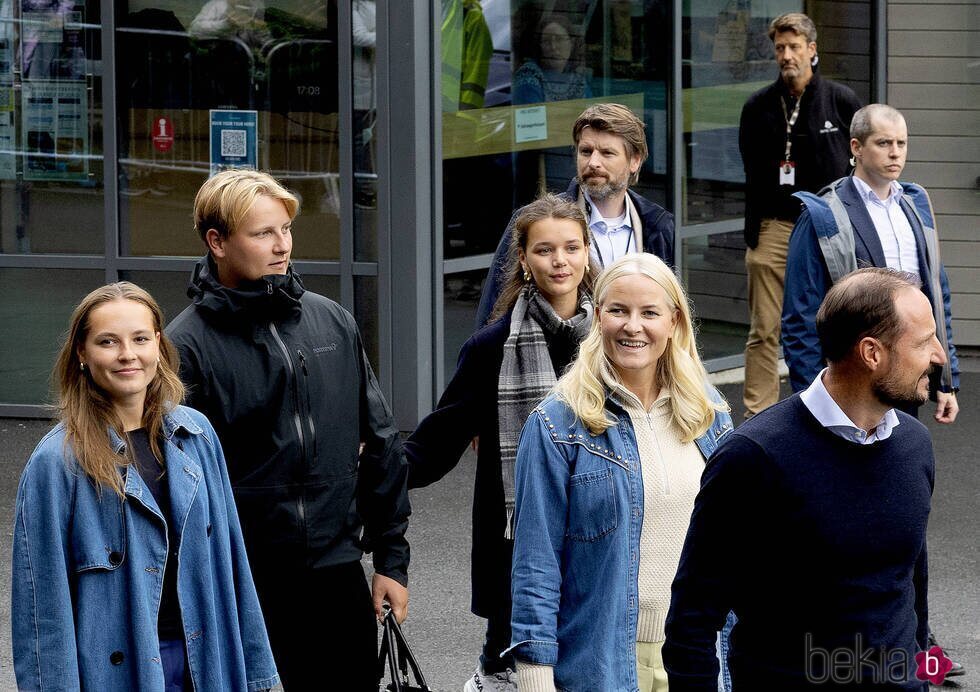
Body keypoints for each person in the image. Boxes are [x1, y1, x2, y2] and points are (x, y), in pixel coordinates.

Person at [166, 169, 410, 691]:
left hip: (337, 570)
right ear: (218, 242)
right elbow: (172, 486)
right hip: (245, 581)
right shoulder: (184, 347)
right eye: (263, 233)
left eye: (286, 230)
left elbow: (382, 443)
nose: (283, 246)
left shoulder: (332, 322)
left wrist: (392, 559)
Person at [664, 268, 943, 690]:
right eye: (923, 342)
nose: (938, 354)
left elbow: (911, 588)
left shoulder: (915, 444)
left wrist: (923, 680)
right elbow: (692, 622)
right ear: (872, 353)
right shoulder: (753, 457)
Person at [12, 282, 278, 691]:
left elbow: (233, 564)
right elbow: (41, 609)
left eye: (139, 338)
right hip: (119, 671)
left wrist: (260, 675)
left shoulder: (197, 435)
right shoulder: (57, 463)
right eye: (107, 341)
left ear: (158, 343)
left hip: (206, 660)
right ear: (81, 353)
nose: (127, 355)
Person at [508, 253, 734, 692]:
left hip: (699, 654)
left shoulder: (711, 414)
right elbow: (536, 564)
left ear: (674, 322)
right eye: (618, 310)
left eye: (650, 312)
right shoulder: (557, 423)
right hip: (600, 661)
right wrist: (535, 676)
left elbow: (735, 549)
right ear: (597, 318)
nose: (633, 326)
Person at [407, 194, 596, 692]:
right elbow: (436, 443)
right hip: (517, 543)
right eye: (545, 250)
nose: (560, 261)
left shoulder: (614, 339)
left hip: (601, 533)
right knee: (509, 669)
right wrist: (364, 474)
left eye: (572, 248)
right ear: (524, 259)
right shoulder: (491, 347)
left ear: (587, 252)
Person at [782, 103, 959, 419]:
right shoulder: (824, 217)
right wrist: (812, 405)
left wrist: (945, 380)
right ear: (856, 148)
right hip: (852, 382)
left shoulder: (916, 208)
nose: (895, 153)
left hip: (906, 376)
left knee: (900, 461)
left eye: (901, 143)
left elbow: (937, 295)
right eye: (883, 143)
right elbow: (800, 318)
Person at [738, 12, 861, 418]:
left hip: (825, 232)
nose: (786, 55)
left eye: (794, 47)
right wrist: (754, 230)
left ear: (812, 49)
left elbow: (856, 163)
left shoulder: (839, 100)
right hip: (775, 227)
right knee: (765, 328)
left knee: (828, 323)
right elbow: (750, 170)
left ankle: (824, 409)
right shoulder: (758, 106)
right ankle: (760, 416)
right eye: (780, 48)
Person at [476, 103, 675, 328]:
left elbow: (669, 313)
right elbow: (494, 312)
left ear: (634, 161)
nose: (593, 163)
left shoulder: (657, 226)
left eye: (607, 153)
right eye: (586, 151)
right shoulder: (536, 221)